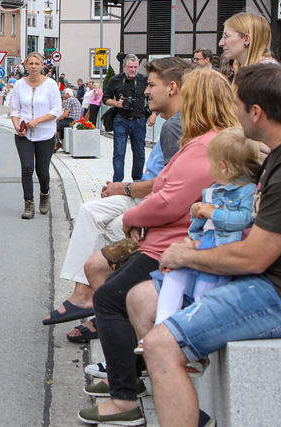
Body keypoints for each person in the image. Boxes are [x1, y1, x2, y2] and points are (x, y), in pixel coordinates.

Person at [137, 63, 281, 427]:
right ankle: (189, 410)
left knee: (161, 346)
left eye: (237, 104)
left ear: (256, 112)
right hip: (278, 281)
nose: (233, 112)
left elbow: (253, 257)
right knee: (140, 299)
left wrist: (188, 254)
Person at [78, 68, 238, 426]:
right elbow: (166, 188)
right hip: (165, 239)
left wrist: (133, 217)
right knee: (107, 282)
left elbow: (169, 200)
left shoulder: (205, 145)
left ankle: (124, 397)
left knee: (108, 299)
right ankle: (129, 377)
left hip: (169, 243)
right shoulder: (204, 140)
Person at [44, 58, 188, 340]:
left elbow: (170, 188)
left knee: (110, 229)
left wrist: (126, 191)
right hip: (144, 194)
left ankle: (107, 310)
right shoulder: (172, 124)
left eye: (152, 85)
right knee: (89, 210)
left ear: (172, 88)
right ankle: (84, 295)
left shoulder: (176, 128)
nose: (146, 91)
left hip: (150, 202)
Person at [150, 127, 261, 327]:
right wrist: (196, 211)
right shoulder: (215, 188)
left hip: (222, 246)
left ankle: (197, 327)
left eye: (211, 163)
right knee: (174, 275)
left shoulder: (247, 191)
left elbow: (244, 219)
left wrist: (212, 213)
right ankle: (163, 323)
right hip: (205, 241)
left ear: (224, 167)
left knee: (205, 287)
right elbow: (200, 222)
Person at [8, 53, 62, 219]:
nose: (33, 66)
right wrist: (17, 125)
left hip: (45, 133)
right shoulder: (19, 85)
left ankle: (44, 194)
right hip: (24, 134)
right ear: (26, 64)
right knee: (27, 168)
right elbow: (14, 109)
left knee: (42, 170)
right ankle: (28, 204)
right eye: (30, 63)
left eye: (36, 63)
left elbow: (56, 111)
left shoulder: (51, 85)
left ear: (41, 65)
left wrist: (37, 121)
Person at [103, 55, 149, 183]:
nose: (133, 70)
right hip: (121, 119)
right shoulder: (115, 80)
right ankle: (117, 182)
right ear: (124, 67)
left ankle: (137, 180)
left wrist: (154, 114)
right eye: (131, 67)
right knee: (119, 152)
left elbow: (153, 96)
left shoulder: (144, 80)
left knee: (139, 153)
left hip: (139, 120)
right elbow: (105, 99)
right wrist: (117, 103)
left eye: (136, 67)